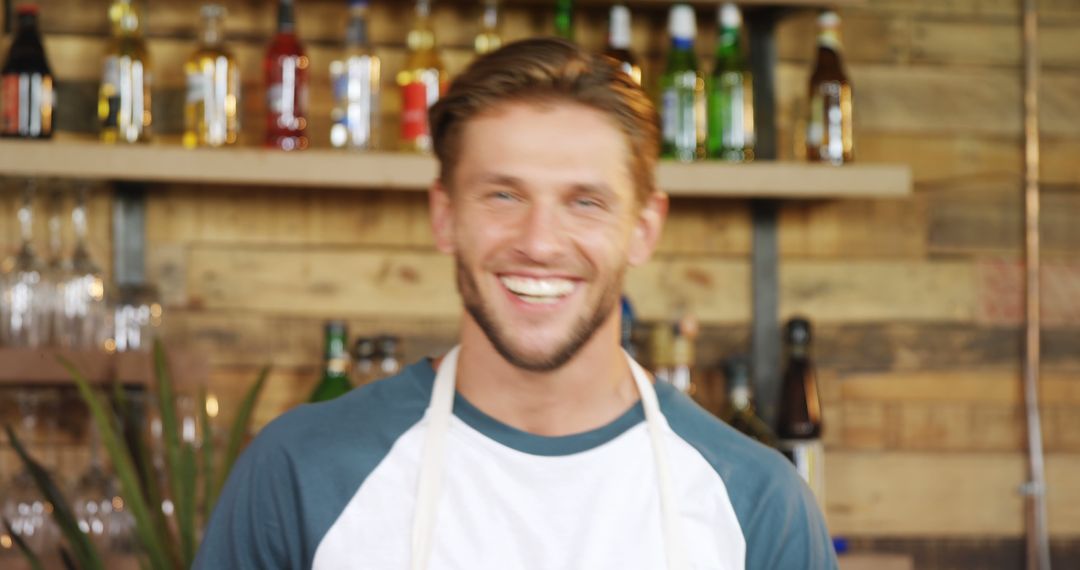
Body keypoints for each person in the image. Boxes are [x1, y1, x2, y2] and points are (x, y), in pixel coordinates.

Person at [194, 38, 837, 570]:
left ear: (644, 228)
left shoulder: (757, 504)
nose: (538, 242)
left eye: (585, 201)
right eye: (502, 196)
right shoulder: (302, 473)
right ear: (444, 216)